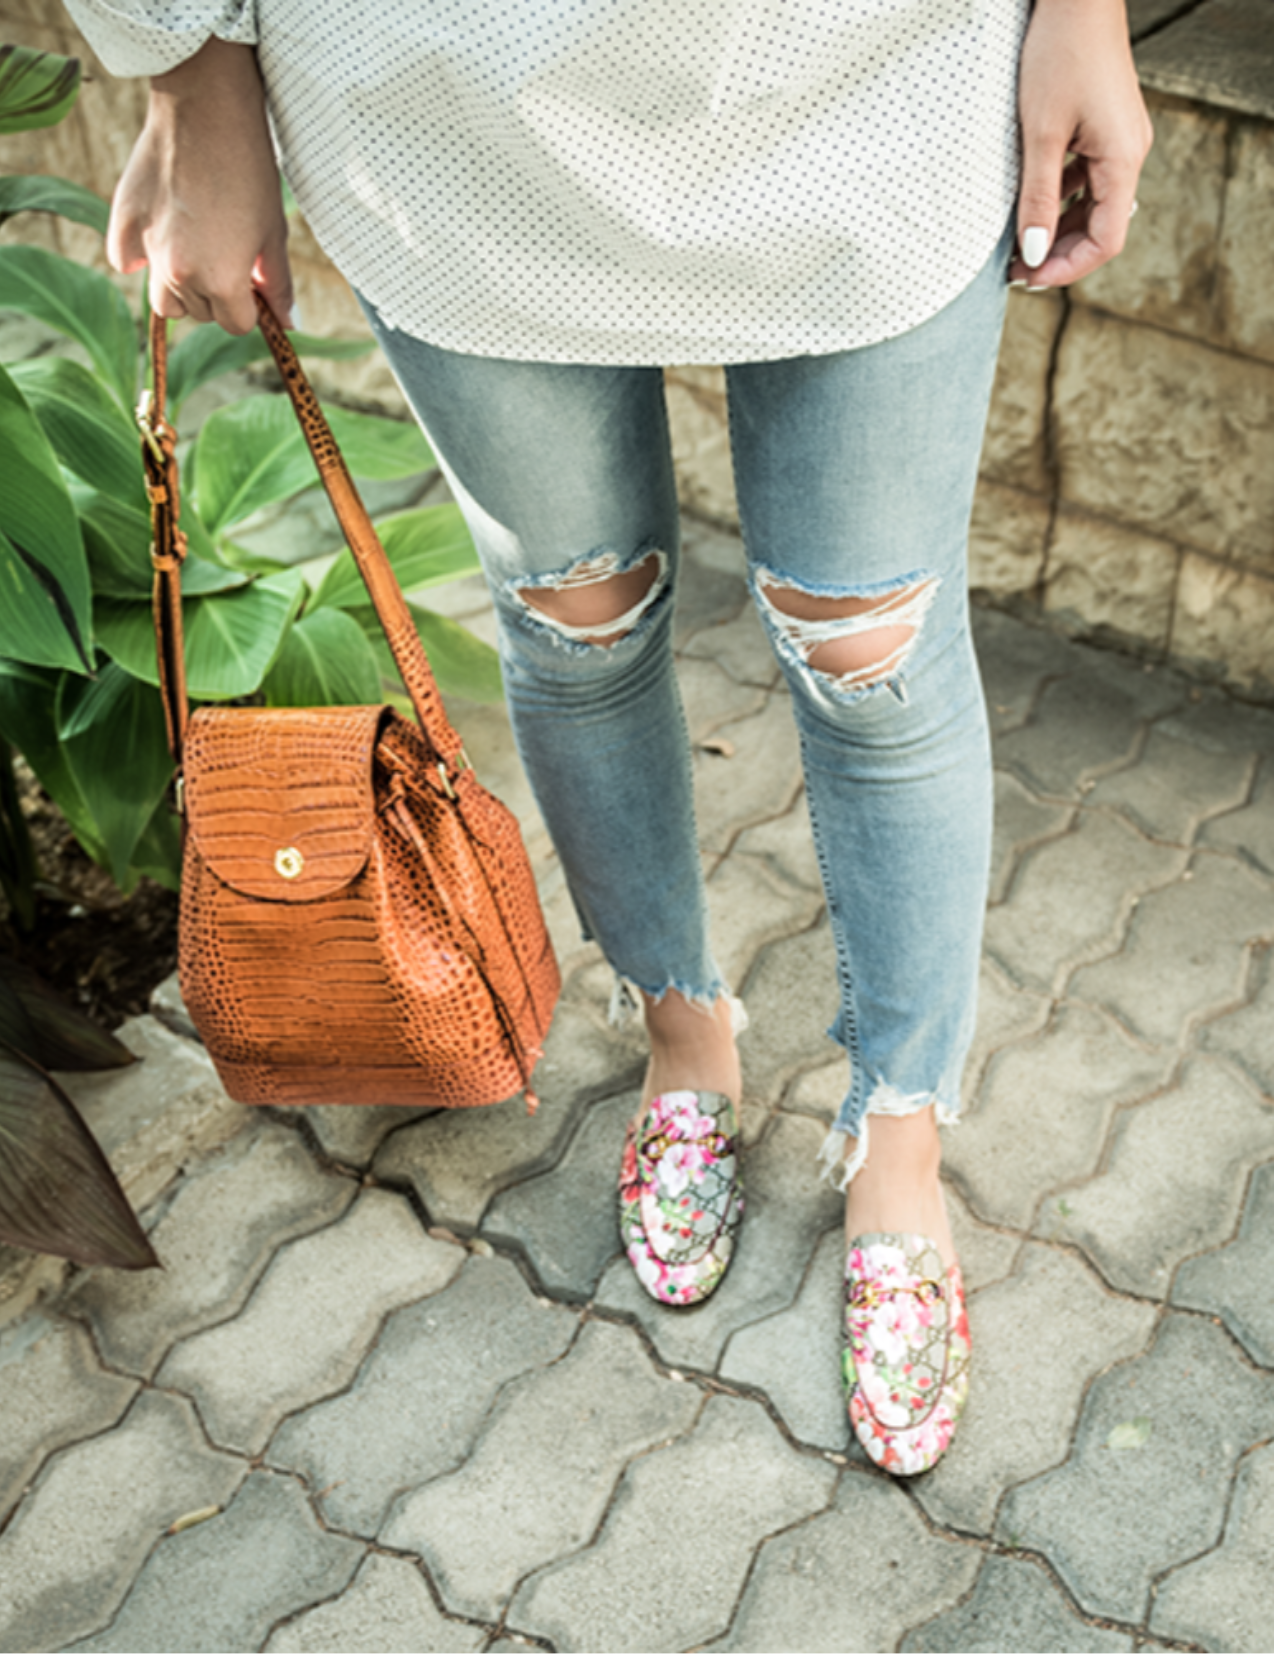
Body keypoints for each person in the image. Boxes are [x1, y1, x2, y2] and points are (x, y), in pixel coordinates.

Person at [64, 0, 1151, 1475]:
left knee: (874, 657)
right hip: (447, 119)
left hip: (875, 87)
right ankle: (683, 1040)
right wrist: (194, 84)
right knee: (576, 622)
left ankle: (901, 1138)